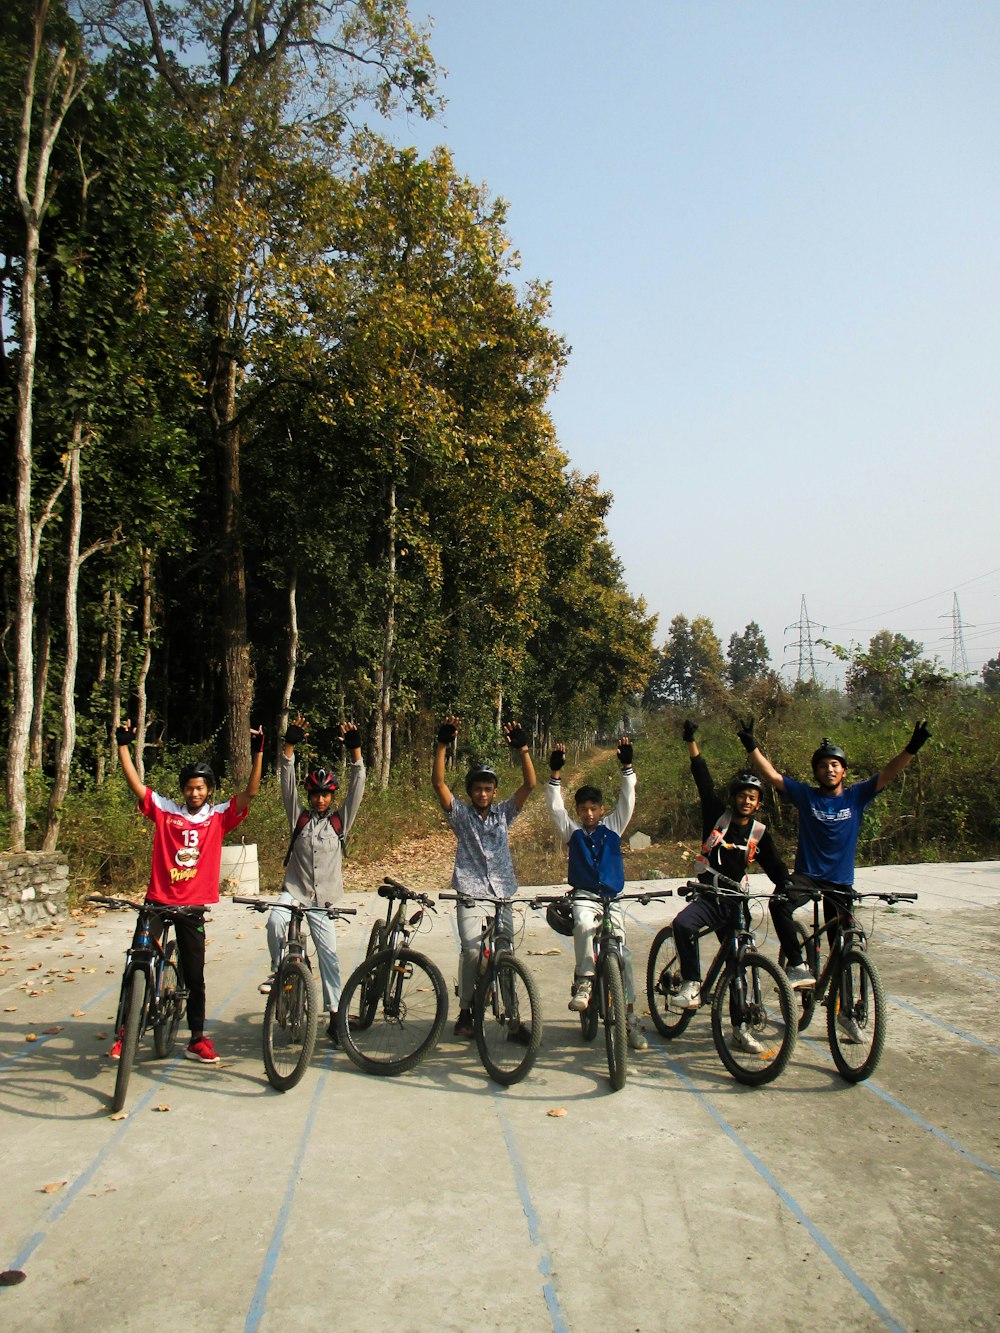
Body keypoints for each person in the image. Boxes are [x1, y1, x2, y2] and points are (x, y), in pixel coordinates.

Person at [738, 717, 931, 1040]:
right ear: (816, 771)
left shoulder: (856, 797)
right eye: (824, 765)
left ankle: (845, 1013)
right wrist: (750, 744)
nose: (829, 769)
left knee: (845, 946)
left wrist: (913, 746)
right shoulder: (807, 796)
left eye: (835, 765)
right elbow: (771, 776)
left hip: (840, 884)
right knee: (778, 903)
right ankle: (797, 963)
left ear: (843, 771)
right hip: (808, 877)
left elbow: (889, 772)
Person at [114, 719, 264, 1064]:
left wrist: (258, 753)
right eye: (189, 788)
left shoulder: (218, 816)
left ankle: (196, 1038)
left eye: (200, 788)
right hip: (156, 901)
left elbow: (250, 792)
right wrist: (123, 745)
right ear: (182, 790)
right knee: (136, 962)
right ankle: (124, 1031)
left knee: (195, 977)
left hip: (192, 907)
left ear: (209, 790)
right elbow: (136, 785)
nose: (194, 793)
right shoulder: (166, 811)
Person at [670, 720, 795, 1052]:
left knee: (740, 965)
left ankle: (740, 1027)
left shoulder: (758, 833)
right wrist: (691, 742)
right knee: (683, 924)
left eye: (752, 797)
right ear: (733, 798)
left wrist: (787, 886)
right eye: (741, 795)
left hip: (735, 902)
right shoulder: (718, 817)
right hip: (711, 895)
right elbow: (703, 780)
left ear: (758, 803)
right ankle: (691, 983)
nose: (746, 801)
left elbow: (775, 866)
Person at [261, 716, 366, 1046]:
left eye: (326, 795)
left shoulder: (339, 822)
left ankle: (335, 1015)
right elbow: (286, 781)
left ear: (332, 796)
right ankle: (281, 973)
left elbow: (359, 785)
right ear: (309, 795)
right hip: (294, 892)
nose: (320, 799)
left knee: (330, 957)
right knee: (273, 924)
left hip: (324, 903)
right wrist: (288, 747)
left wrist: (356, 753)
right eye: (316, 794)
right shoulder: (299, 817)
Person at [432, 715, 536, 1039]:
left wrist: (523, 750)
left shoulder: (504, 813)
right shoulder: (461, 817)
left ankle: (514, 1020)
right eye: (477, 788)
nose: (482, 793)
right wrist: (442, 744)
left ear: (495, 791)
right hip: (470, 892)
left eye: (487, 788)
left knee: (505, 956)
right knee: (473, 951)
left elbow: (530, 784)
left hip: (502, 892)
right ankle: (465, 1010)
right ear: (471, 791)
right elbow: (438, 784)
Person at [545, 738, 648, 1052]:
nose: (588, 814)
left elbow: (627, 800)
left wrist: (627, 768)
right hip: (585, 897)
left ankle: (630, 1022)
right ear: (577, 811)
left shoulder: (613, 828)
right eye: (583, 809)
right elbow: (554, 807)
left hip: (611, 900)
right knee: (583, 923)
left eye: (593, 809)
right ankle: (585, 980)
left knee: (624, 956)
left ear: (602, 810)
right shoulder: (572, 832)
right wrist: (556, 772)